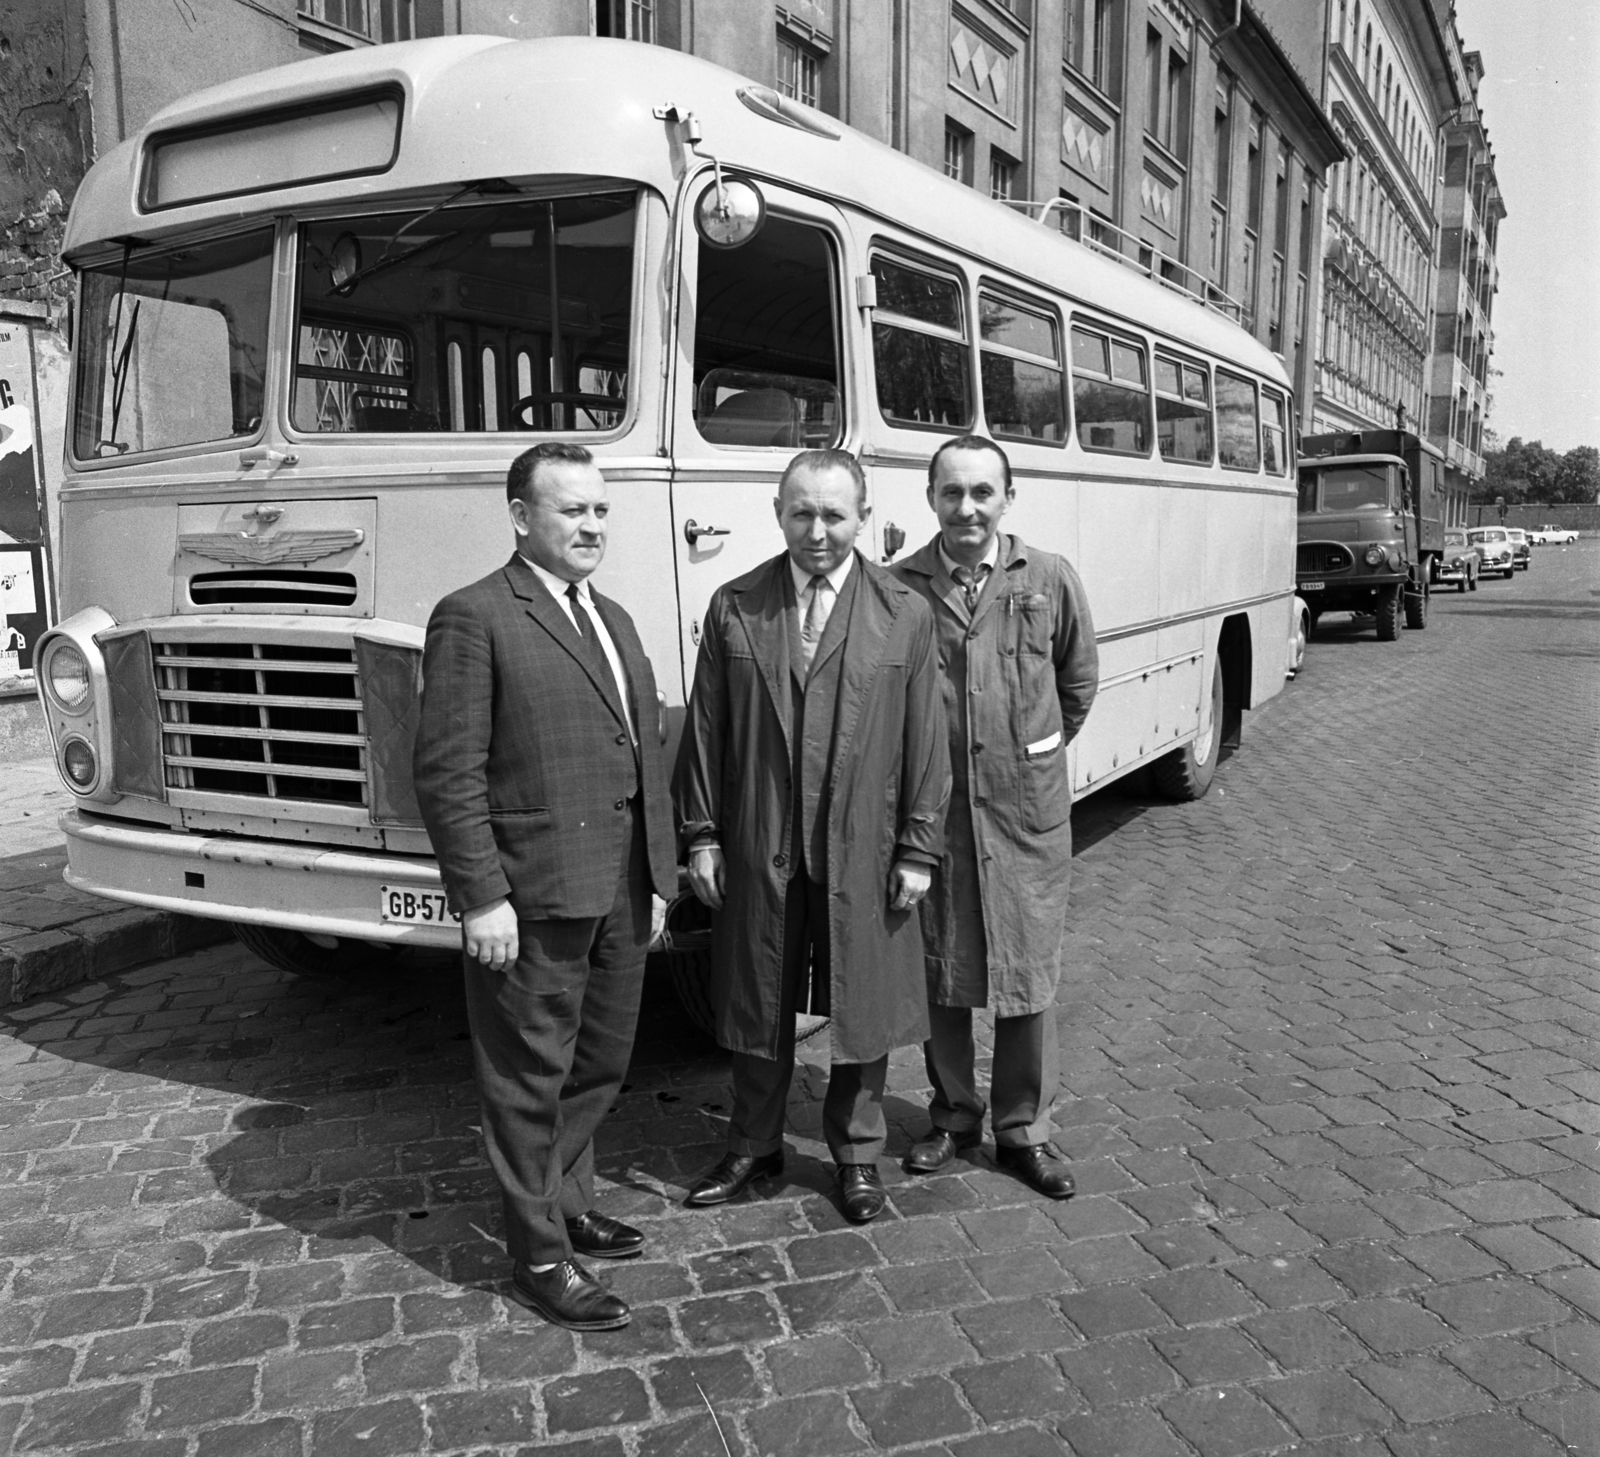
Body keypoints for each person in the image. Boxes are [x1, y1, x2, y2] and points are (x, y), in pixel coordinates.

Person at [413, 441, 677, 1331]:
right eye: (572, 510)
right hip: (532, 895)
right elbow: (448, 770)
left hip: (622, 889)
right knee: (528, 1076)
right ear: (521, 515)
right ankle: (537, 1254)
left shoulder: (615, 616)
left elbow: (640, 752)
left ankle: (568, 1200)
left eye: (600, 510)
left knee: (598, 1061)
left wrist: (662, 874)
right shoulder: (475, 616)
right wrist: (481, 896)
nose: (592, 525)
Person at [673, 448, 950, 1224]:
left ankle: (857, 1154)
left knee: (861, 997)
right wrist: (702, 833)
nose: (817, 530)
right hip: (764, 839)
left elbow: (927, 739)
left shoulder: (905, 611)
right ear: (778, 513)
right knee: (760, 995)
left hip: (864, 843)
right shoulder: (737, 604)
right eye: (802, 512)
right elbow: (705, 732)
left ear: (863, 516)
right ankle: (754, 1143)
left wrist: (918, 846)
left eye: (834, 514)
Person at [890, 435, 1098, 1199]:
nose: (967, 507)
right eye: (953, 492)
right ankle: (952, 1116)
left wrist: (1027, 756)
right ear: (931, 499)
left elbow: (1077, 682)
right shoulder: (900, 586)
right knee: (941, 969)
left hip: (1025, 817)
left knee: (1027, 976)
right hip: (935, 818)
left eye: (983, 491)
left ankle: (1023, 1131)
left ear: (1007, 497)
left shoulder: (1047, 578)